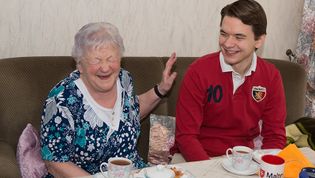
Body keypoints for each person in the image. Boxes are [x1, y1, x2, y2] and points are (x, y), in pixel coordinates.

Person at [40, 22, 177, 177]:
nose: (105, 68)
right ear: (80, 65)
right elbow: (54, 162)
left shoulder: (124, 79)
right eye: (96, 60)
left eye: (111, 59)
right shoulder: (62, 99)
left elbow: (131, 112)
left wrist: (161, 90)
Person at [171, 0, 286, 162]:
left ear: (259, 40)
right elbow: (186, 136)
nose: (227, 43)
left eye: (239, 37)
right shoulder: (198, 71)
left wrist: (266, 168)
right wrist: (210, 171)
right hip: (195, 158)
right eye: (224, 34)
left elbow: (274, 136)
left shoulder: (271, 76)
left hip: (244, 161)